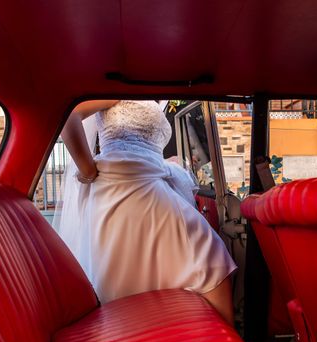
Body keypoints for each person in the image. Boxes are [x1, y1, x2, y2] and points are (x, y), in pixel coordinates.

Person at [55, 100, 236, 324]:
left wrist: (163, 160)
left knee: (205, 256)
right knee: (209, 254)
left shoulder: (156, 99)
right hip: (125, 181)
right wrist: (87, 168)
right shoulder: (117, 89)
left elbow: (143, 142)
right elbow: (69, 116)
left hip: (151, 178)